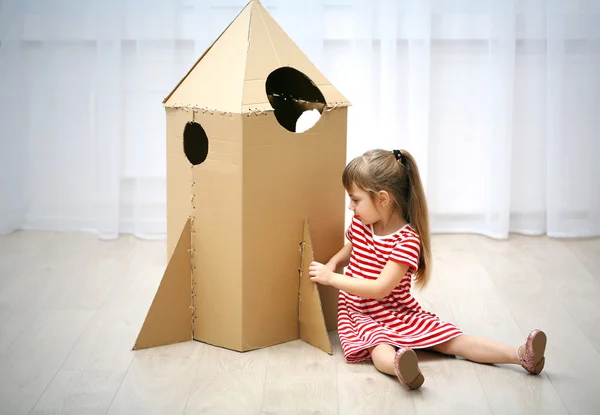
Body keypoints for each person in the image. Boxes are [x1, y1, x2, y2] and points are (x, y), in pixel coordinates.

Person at [308, 149, 547, 390]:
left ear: (383, 198)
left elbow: (380, 289)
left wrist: (332, 279)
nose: (350, 207)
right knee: (379, 346)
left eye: (355, 199)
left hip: (398, 311)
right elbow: (353, 246)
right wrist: (335, 262)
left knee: (451, 339)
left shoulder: (406, 241)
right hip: (362, 313)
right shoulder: (362, 223)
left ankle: (521, 355)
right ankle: (402, 368)